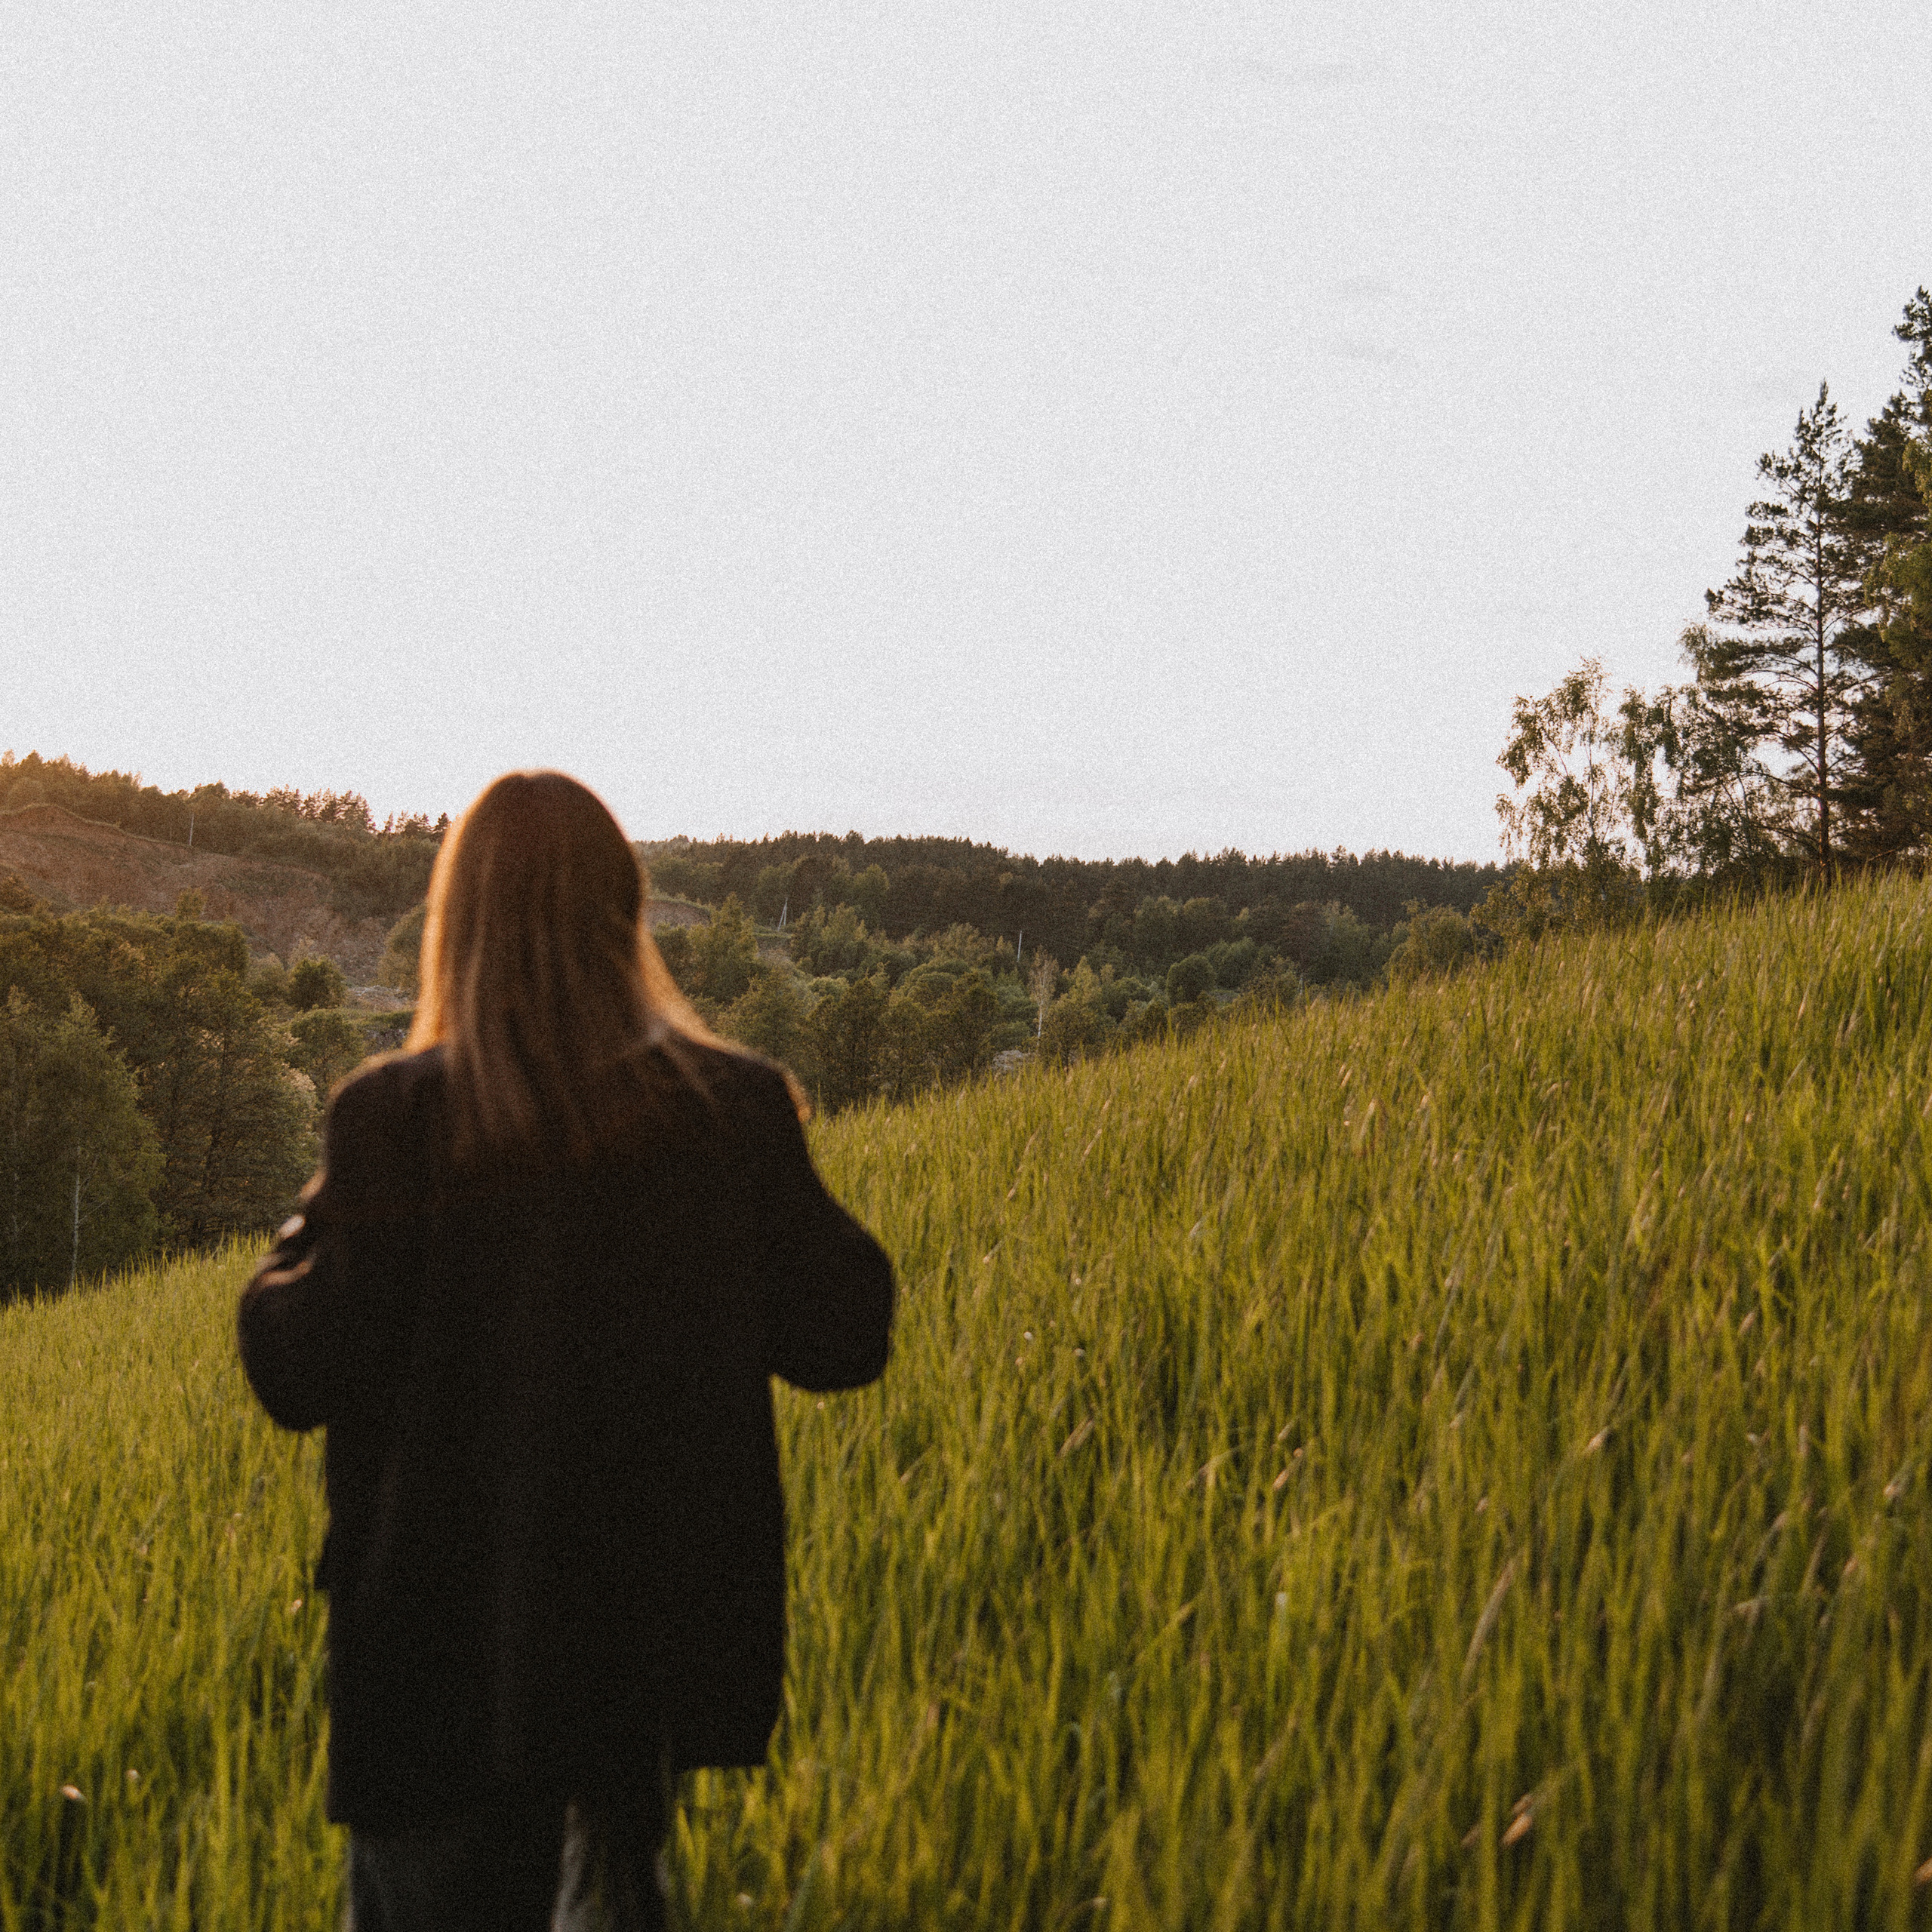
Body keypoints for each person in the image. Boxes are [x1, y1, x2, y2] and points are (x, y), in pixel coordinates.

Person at [237, 771, 895, 1930]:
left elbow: (296, 1372)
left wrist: (297, 1240)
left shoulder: (394, 1117)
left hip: (431, 1655)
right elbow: (846, 1334)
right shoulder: (731, 1110)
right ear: (624, 911)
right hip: (641, 1667)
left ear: (458, 921)